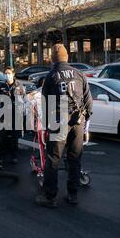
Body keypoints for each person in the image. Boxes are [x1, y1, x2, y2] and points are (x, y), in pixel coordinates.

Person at [35, 44, 93, 208]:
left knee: (53, 159)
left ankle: (49, 196)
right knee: (75, 159)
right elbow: (89, 102)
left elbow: (46, 104)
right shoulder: (79, 74)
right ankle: (73, 195)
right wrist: (85, 123)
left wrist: (47, 126)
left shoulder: (51, 75)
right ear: (67, 57)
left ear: (53, 59)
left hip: (58, 120)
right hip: (78, 121)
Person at [0, 66, 26, 164]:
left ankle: (14, 156)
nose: (7, 75)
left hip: (15, 115)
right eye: (6, 73)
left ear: (13, 74)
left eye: (9, 73)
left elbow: (24, 100)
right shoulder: (2, 86)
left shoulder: (19, 86)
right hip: (4, 115)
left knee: (14, 137)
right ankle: (1, 156)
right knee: (2, 137)